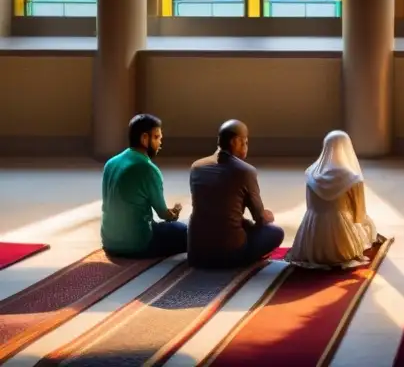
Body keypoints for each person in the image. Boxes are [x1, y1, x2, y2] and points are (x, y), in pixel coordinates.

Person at [188, 120, 284, 268]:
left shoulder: (197, 166)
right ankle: (243, 258)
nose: (246, 146)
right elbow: (259, 218)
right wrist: (268, 216)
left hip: (197, 254)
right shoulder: (245, 171)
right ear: (236, 142)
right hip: (228, 255)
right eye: (245, 142)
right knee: (275, 232)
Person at [287, 131, 378, 268]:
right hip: (341, 237)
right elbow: (358, 213)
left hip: (312, 232)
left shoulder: (311, 173)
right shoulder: (352, 177)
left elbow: (309, 205)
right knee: (368, 226)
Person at [101, 114, 186, 257]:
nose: (160, 143)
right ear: (144, 138)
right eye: (157, 137)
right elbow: (163, 214)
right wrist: (174, 213)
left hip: (109, 240)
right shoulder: (148, 169)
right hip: (137, 243)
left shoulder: (111, 163)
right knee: (185, 231)